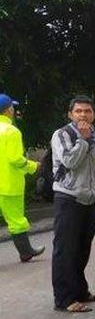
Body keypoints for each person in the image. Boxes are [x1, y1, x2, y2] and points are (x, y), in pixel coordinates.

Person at [50, 95, 95, 313]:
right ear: (70, 114)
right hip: (69, 197)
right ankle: (64, 299)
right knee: (65, 250)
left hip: (91, 198)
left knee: (83, 248)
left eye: (88, 111)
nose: (83, 115)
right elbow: (69, 161)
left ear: (94, 114)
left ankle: (80, 291)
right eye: (79, 111)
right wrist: (82, 140)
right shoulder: (62, 134)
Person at [0, 93, 45, 262]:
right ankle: (26, 251)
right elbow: (15, 159)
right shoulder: (11, 131)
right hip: (9, 184)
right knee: (16, 220)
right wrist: (34, 166)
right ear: (9, 110)